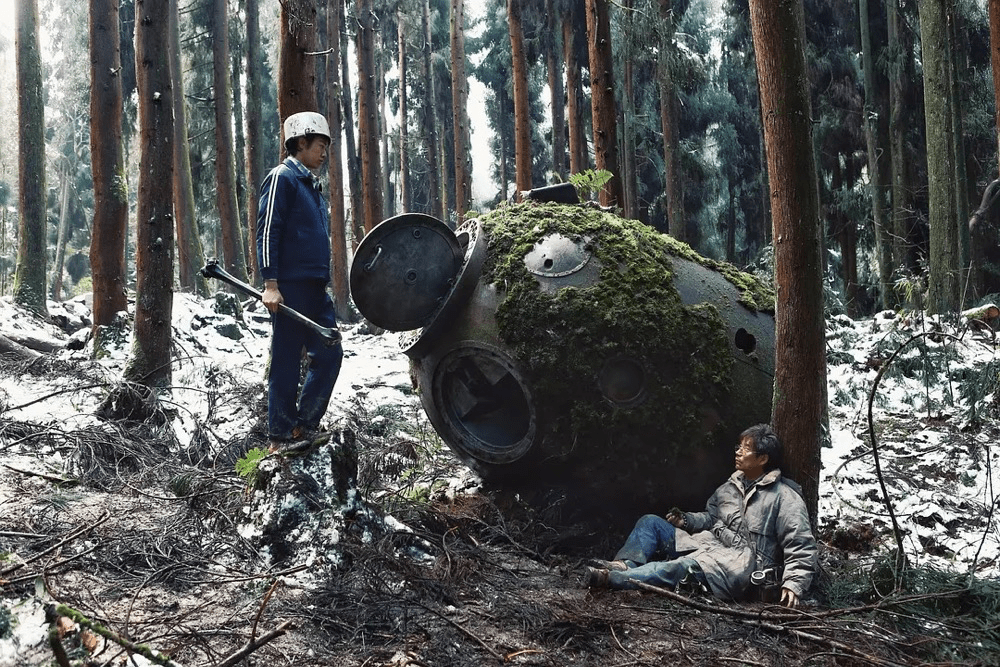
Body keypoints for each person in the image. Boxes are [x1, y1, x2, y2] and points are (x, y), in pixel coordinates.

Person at [585, 424, 817, 609]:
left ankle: (612, 579)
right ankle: (626, 565)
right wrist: (686, 521)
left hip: (739, 565)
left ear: (763, 459)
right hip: (707, 545)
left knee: (680, 567)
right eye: (738, 446)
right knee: (650, 523)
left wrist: (794, 584)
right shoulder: (730, 487)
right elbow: (710, 517)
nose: (737, 452)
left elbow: (800, 544)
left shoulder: (784, 497)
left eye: (745, 449)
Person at [256, 111, 343, 451]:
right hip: (289, 287)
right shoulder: (283, 177)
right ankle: (279, 436)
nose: (324, 153)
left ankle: (304, 426)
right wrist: (271, 283)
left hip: (315, 287)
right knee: (287, 359)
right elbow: (267, 231)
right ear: (301, 143)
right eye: (320, 145)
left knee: (330, 353)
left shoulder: (310, 185)